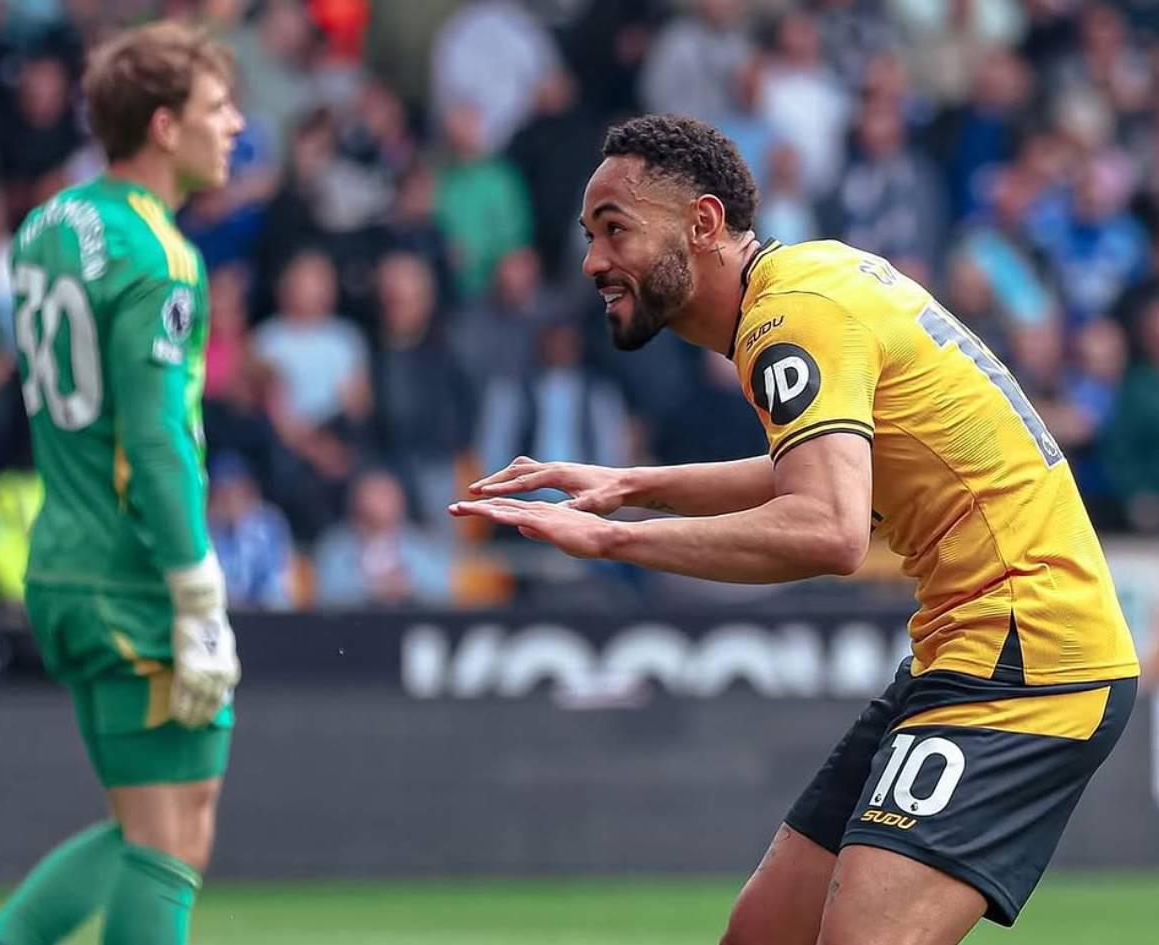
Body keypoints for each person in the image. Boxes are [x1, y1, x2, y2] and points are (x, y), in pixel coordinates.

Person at [451, 114, 1139, 945]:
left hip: (1030, 656)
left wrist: (615, 540)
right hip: (967, 646)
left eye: (615, 229)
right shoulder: (811, 281)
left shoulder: (789, 318)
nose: (594, 260)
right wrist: (630, 485)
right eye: (590, 234)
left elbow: (828, 528)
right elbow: (825, 473)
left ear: (703, 223)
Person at [0, 21, 244, 945]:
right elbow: (156, 438)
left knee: (147, 824)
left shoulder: (47, 225)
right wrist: (196, 589)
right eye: (218, 108)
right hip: (135, 571)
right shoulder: (159, 255)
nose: (235, 125)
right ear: (166, 126)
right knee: (173, 833)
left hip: (62, 554)